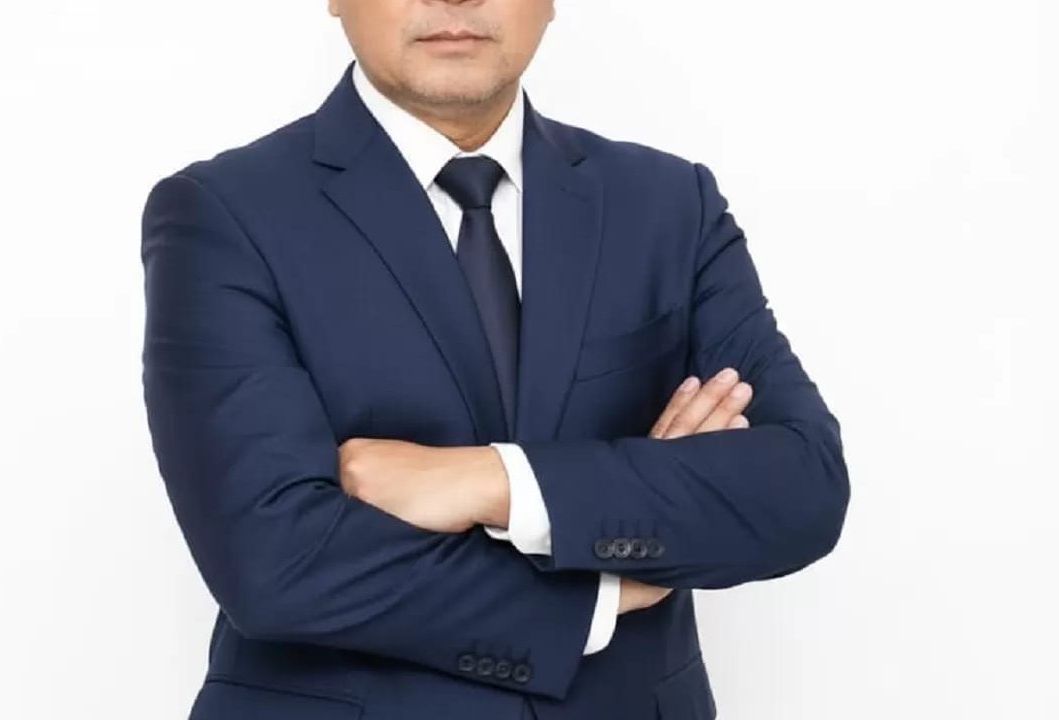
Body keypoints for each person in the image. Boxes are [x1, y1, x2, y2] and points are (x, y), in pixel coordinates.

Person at [138, 2, 850, 718]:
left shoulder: (669, 204)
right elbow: (275, 562)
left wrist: (492, 481)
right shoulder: (223, 214)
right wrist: (603, 591)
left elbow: (803, 486)